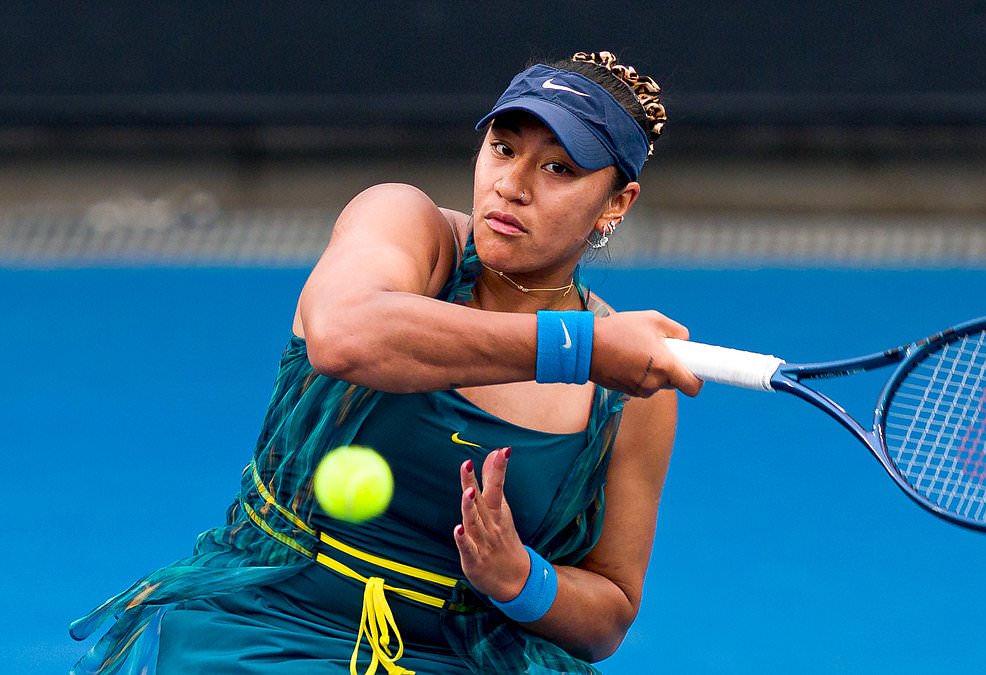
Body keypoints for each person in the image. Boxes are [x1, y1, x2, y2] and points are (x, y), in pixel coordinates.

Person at [70, 50, 703, 674]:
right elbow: (343, 334)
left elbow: (608, 614)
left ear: (616, 203)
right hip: (262, 627)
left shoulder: (630, 390)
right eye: (503, 148)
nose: (511, 186)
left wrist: (520, 579)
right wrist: (580, 348)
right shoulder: (406, 224)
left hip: (460, 659)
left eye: (558, 168)